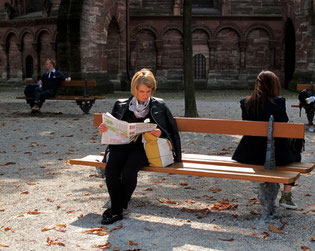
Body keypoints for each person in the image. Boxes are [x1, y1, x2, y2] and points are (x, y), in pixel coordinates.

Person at [98, 68, 182, 224]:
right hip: (121, 145)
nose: (145, 95)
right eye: (141, 91)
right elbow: (112, 127)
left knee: (129, 171)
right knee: (111, 170)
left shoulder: (159, 105)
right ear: (134, 89)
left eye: (148, 91)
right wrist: (104, 129)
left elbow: (172, 132)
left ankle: (116, 210)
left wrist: (161, 135)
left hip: (143, 148)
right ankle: (118, 208)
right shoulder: (121, 104)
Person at [232, 70, 301, 210]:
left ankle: (264, 185)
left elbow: (247, 124)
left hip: (249, 155)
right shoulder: (279, 102)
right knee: (297, 155)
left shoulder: (246, 103)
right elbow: (284, 125)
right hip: (276, 156)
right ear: (274, 85)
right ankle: (286, 196)